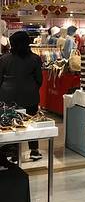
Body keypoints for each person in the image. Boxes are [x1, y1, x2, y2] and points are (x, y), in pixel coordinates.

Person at [0, 31, 43, 160]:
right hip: (30, 95)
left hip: (8, 96)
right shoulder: (35, 58)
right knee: (32, 122)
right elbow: (39, 79)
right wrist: (32, 87)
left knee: (10, 122)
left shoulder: (4, 59)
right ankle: (34, 150)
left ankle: (12, 152)